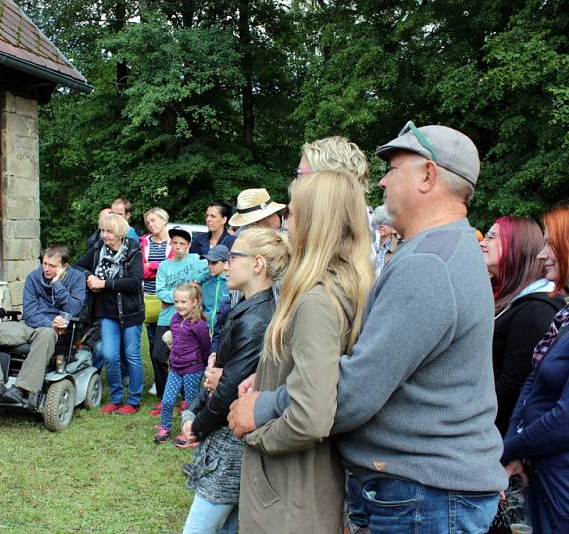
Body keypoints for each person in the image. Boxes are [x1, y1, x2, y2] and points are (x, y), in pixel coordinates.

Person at [231, 123, 509, 532]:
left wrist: (265, 406)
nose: (382, 179)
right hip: (425, 491)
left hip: (423, 495)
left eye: (394, 168)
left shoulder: (428, 264)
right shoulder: (444, 249)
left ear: (428, 175)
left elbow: (356, 389)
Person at [227, 172, 373, 532]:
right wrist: (264, 382)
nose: (283, 224)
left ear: (313, 221)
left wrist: (252, 425)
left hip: (289, 491)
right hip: (295, 485)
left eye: (290, 214)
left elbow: (311, 416)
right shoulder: (337, 288)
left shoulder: (317, 302)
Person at [179, 228, 288, 534]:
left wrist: (197, 425)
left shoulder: (258, 318)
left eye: (232, 257)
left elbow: (228, 388)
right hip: (229, 433)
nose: (226, 265)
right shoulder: (251, 309)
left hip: (231, 438)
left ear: (257, 264)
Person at [501, 205, 569, 533]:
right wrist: (516, 442)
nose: (542, 255)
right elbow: (533, 378)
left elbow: (564, 418)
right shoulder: (564, 317)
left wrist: (510, 447)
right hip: (542, 471)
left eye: (550, 245)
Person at [0, 246, 86, 405]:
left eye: (52, 266)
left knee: (47, 334)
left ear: (64, 267)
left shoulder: (77, 278)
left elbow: (74, 310)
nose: (46, 268)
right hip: (30, 324)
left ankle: (21, 388)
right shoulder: (34, 277)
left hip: (55, 332)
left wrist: (57, 284)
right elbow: (30, 314)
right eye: (44, 263)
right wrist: (50, 322)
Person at [480, 216, 562, 435]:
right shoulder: (510, 298)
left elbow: (513, 385)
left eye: (491, 236)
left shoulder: (536, 309)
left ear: (517, 246)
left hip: (495, 434)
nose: (482, 242)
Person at [74, 212, 144, 414]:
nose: (104, 235)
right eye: (103, 230)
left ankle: (133, 400)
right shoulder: (98, 249)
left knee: (132, 356)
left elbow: (134, 281)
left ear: (120, 233)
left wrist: (103, 283)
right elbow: (78, 266)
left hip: (130, 313)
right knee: (109, 355)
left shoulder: (133, 251)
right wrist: (90, 277)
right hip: (106, 312)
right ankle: (116, 398)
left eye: (109, 231)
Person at [150, 227, 208, 414]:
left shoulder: (196, 261)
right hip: (167, 317)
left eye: (182, 244)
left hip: (190, 317)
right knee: (158, 356)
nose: (178, 247)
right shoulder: (164, 266)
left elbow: (211, 270)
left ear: (189, 246)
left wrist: (196, 282)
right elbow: (159, 290)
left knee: (188, 356)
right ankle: (163, 395)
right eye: (174, 243)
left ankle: (186, 395)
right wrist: (179, 299)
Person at [154, 284, 210, 445]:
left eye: (183, 302)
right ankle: (165, 427)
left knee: (191, 402)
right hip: (175, 368)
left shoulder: (199, 324)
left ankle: (190, 431)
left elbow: (205, 345)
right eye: (176, 301)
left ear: (194, 302)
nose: (179, 305)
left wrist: (204, 364)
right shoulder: (174, 319)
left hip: (193, 368)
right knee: (167, 400)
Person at [140, 207, 173, 355]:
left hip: (170, 298)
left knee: (171, 340)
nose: (150, 224)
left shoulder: (174, 242)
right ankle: (158, 378)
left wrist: (152, 265)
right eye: (148, 222)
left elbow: (173, 269)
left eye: (153, 220)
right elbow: (142, 271)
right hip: (150, 296)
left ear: (164, 220)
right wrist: (162, 266)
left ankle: (172, 375)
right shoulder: (144, 242)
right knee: (153, 341)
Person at [193, 244, 230, 336]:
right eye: (208, 262)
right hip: (205, 333)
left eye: (214, 262)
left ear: (225, 263)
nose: (209, 266)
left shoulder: (233, 284)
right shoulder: (204, 283)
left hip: (224, 334)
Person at [372, 204, 400, 275]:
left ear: (394, 229)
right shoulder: (368, 245)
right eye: (378, 222)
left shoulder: (399, 248)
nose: (380, 226)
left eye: (385, 223)